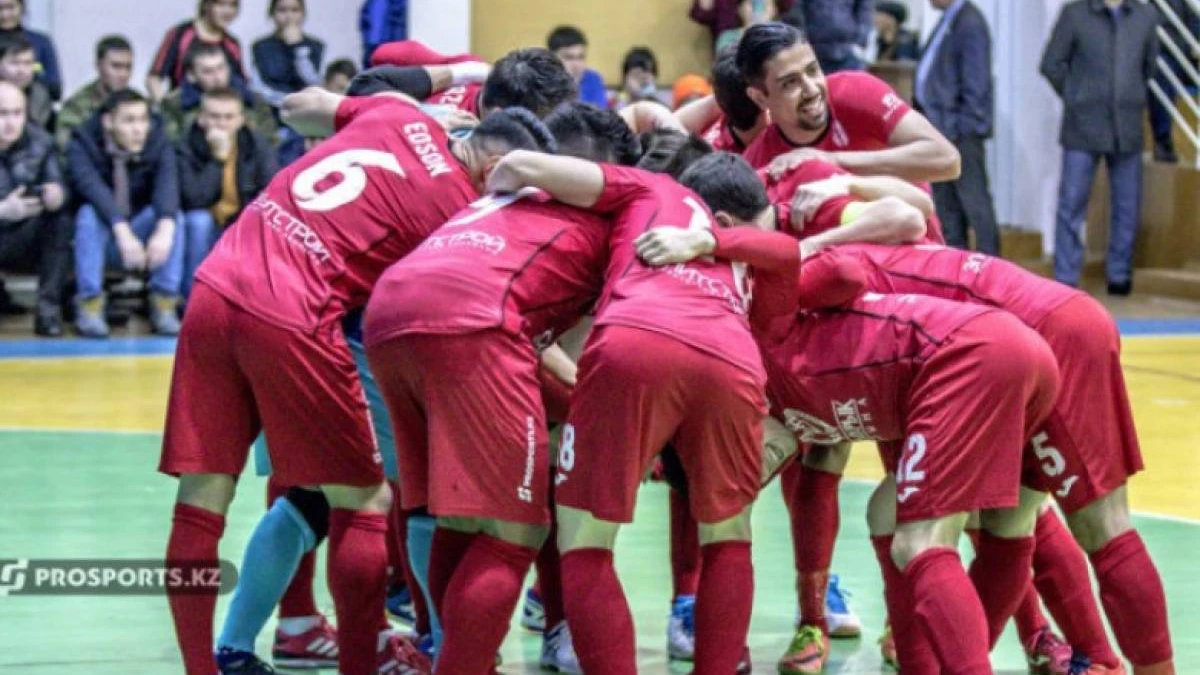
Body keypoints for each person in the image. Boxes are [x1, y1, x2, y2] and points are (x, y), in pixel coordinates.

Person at [156, 79, 552, 675]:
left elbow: (300, 106)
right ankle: (362, 662)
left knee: (200, 501)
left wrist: (423, 103)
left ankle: (202, 666)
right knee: (365, 501)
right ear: (497, 167)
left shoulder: (395, 113)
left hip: (217, 283)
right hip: (294, 312)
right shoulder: (457, 210)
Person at [364, 103, 640, 675]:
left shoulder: (503, 198)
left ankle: (449, 652)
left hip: (389, 313)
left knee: (461, 520)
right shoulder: (606, 220)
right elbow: (597, 351)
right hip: (470, 322)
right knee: (519, 529)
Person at [485, 146, 780, 675]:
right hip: (732, 356)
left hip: (635, 338)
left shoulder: (652, 187)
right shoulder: (750, 259)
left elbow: (518, 165)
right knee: (729, 533)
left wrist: (480, 202)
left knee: (586, 536)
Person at [735, 21, 960, 671]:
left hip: (919, 303)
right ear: (759, 98)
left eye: (812, 70)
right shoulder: (758, 167)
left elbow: (945, 159)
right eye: (790, 83)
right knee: (819, 458)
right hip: (838, 318)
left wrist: (838, 168)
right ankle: (812, 620)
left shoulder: (856, 94)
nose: (811, 89)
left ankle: (905, 619)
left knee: (916, 471)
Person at [1040, 0, 1159, 296]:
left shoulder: (1145, 16)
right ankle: (1066, 276)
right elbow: (1051, 63)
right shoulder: (1075, 13)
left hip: (1127, 125)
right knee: (1071, 203)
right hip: (1082, 124)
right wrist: (1076, 96)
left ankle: (1119, 275)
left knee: (1127, 205)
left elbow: (1149, 66)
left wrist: (1133, 96)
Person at [67, 89, 183, 338]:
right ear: (108, 122)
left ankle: (164, 301)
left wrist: (164, 229)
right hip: (103, 236)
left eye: (143, 120)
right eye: (129, 121)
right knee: (88, 214)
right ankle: (90, 304)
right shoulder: (82, 142)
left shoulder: (158, 140)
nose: (138, 129)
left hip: (140, 234)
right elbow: (92, 188)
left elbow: (167, 185)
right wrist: (122, 231)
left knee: (171, 219)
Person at [915, 0, 1000, 255]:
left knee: (975, 205)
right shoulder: (949, 20)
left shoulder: (970, 22)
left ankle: (990, 269)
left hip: (960, 135)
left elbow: (977, 84)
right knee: (947, 210)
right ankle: (956, 267)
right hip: (940, 133)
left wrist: (961, 129)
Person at [177, 87, 277, 302]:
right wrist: (218, 160)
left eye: (229, 117)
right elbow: (194, 199)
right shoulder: (187, 146)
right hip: (204, 223)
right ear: (201, 118)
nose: (222, 124)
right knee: (198, 221)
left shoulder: (256, 145)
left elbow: (269, 191)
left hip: (240, 222)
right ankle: (191, 300)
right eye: (214, 117)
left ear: (241, 120)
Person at [0, 82, 68, 336]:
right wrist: (3, 210)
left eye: (17, 113)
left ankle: (48, 311)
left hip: (23, 233)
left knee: (60, 221)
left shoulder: (41, 142)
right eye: (2, 114)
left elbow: (58, 185)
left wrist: (56, 195)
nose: (10, 123)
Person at [160, 42, 278, 143]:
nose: (217, 77)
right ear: (191, 76)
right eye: (208, 72)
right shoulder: (174, 104)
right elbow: (171, 145)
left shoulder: (253, 99)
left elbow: (270, 141)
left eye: (221, 68)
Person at [252, 0, 324, 165]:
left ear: (303, 14)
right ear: (272, 14)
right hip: (271, 114)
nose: (289, 16)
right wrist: (287, 101)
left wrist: (297, 48)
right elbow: (258, 86)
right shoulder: (261, 46)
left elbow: (313, 82)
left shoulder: (315, 46)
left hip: (306, 116)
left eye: (294, 10)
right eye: (282, 10)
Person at [148, 0, 246, 103]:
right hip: (183, 106)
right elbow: (154, 78)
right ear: (206, 5)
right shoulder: (181, 34)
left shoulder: (232, 44)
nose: (227, 11)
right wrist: (164, 105)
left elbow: (241, 82)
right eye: (221, 5)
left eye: (233, 5)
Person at [57, 35, 134, 150]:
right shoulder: (78, 105)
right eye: (116, 66)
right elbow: (66, 144)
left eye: (128, 67)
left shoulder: (138, 103)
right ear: (98, 65)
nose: (123, 74)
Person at [1148, 0, 1200, 163]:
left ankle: (1163, 139)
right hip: (1150, 47)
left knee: (1164, 75)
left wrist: (1191, 47)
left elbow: (1194, 18)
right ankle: (1162, 139)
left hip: (1175, 49)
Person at [785, 0, 874, 72]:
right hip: (816, 51)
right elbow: (796, 16)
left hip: (849, 52)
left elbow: (864, 14)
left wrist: (859, 43)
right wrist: (803, 44)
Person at [0, 0, 61, 100]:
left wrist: (32, 72)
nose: (4, 14)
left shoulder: (41, 42)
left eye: (10, 7)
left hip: (35, 104)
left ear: (22, 8)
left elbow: (55, 89)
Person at [691, 0, 796, 50]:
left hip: (770, 38)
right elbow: (702, 14)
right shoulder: (727, 38)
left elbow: (787, 5)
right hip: (731, 43)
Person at [547, 26, 609, 108]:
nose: (576, 65)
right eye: (568, 57)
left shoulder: (593, 79)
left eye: (581, 57)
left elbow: (600, 112)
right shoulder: (541, 82)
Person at [0, 34, 50, 130]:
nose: (22, 70)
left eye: (28, 63)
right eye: (14, 63)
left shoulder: (39, 95)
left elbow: (37, 132)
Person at [359, 0, 408, 68]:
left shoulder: (398, 3)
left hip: (388, 46)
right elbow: (364, 22)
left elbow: (399, 25)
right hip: (372, 45)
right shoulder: (371, 2)